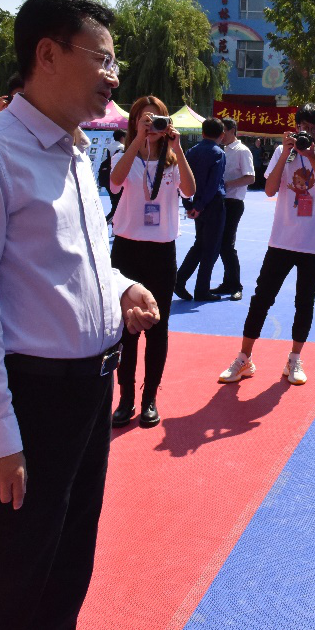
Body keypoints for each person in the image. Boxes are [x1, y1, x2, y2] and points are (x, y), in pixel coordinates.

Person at [0, 0, 159, 630]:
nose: (113, 76)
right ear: (48, 54)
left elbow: (76, 261)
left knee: (64, 574)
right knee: (1, 586)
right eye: (102, 58)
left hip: (87, 394)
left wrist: (119, 287)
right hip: (27, 399)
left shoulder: (75, 152)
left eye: (115, 62)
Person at [218, 103, 315, 388]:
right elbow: (270, 189)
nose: (308, 133)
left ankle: (294, 359)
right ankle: (244, 358)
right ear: (296, 127)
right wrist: (287, 152)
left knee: (304, 303)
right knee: (261, 299)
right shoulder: (281, 152)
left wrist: (312, 157)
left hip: (314, 245)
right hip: (281, 241)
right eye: (304, 127)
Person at [108, 96, 194, 429]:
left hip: (161, 252)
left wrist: (177, 148)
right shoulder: (124, 156)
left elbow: (190, 190)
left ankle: (150, 399)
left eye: (157, 119)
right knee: (126, 329)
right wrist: (137, 141)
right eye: (145, 120)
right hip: (127, 250)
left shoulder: (173, 161)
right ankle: (125, 398)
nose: (152, 125)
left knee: (157, 329)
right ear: (134, 123)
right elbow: (115, 183)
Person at [175, 118, 227, 302]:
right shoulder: (218, 153)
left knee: (199, 244)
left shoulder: (191, 151)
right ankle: (201, 289)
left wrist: (189, 205)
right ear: (222, 135)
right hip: (212, 204)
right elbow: (213, 184)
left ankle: (179, 280)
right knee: (211, 248)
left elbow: (182, 179)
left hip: (196, 201)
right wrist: (200, 205)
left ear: (203, 133)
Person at [213, 117, 255, 300]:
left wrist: (227, 184)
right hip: (221, 201)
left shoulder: (242, 150)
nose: (220, 135)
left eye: (223, 130)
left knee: (227, 245)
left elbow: (250, 177)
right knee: (222, 245)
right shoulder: (223, 150)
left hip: (233, 202)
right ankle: (228, 283)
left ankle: (236, 285)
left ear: (231, 130)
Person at [103, 129, 127, 223]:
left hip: (106, 179)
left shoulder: (108, 148)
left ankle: (113, 223)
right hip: (117, 179)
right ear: (122, 138)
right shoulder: (122, 148)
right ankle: (109, 222)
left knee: (115, 203)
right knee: (118, 205)